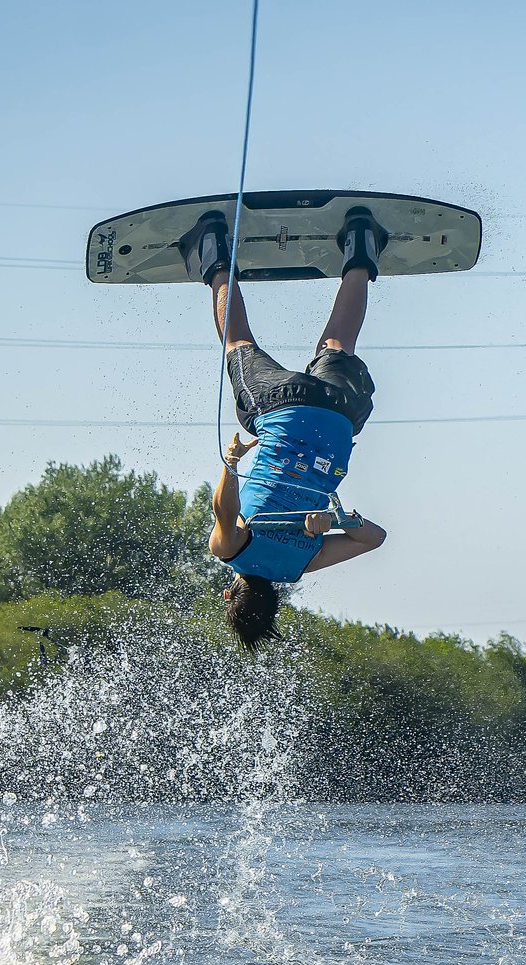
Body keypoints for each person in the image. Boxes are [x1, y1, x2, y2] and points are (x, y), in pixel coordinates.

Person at [180, 207, 390, 648]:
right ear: (228, 593)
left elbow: (373, 538)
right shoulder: (231, 551)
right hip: (284, 412)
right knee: (238, 343)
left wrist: (339, 519)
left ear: (278, 599)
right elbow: (224, 512)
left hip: (339, 420)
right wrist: (231, 465)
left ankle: (361, 245)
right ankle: (213, 249)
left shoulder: (303, 564)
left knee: (336, 345)